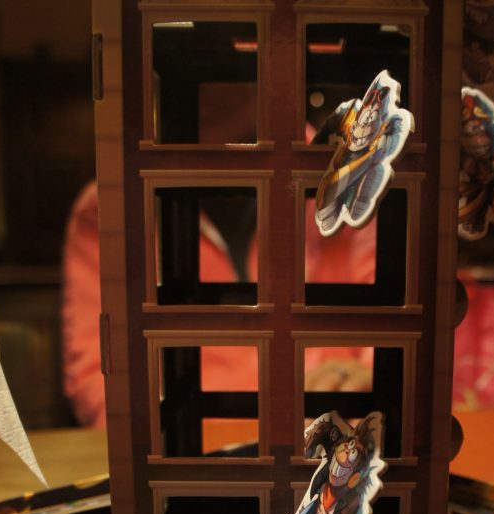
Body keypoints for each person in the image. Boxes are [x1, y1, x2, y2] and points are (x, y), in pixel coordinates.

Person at [62, 181, 376, 428]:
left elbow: (390, 341)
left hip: (332, 454)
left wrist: (371, 383)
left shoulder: (353, 174)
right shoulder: (114, 203)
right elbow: (105, 383)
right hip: (192, 459)